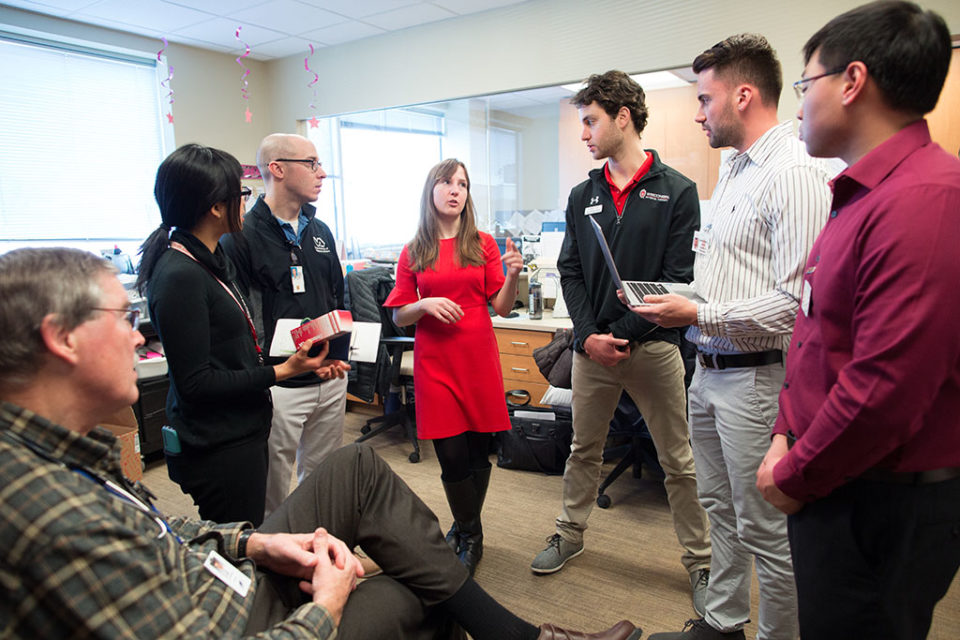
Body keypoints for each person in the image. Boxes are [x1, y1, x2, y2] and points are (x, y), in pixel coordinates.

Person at [0, 247, 644, 640]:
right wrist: (327, 608)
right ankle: (519, 636)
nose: (140, 337)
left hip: (216, 577)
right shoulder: (47, 511)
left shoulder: (66, 455)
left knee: (357, 467)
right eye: (122, 317)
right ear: (63, 338)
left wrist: (253, 540)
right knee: (411, 595)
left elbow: (161, 535)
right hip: (223, 618)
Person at [754, 3, 960, 639]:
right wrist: (788, 430)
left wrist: (794, 471)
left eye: (804, 86)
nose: (797, 109)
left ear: (852, 82)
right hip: (835, 477)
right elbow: (819, 334)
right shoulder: (862, 193)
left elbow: (886, 389)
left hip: (879, 497)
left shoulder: (925, 201)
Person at [638, 35, 832, 640]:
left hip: (758, 377)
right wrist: (680, 299)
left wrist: (696, 316)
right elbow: (725, 281)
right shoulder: (733, 169)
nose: (697, 113)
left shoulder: (792, 172)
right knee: (720, 511)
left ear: (743, 95)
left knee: (767, 530)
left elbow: (796, 306)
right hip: (710, 371)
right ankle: (722, 622)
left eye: (704, 98)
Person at [532, 69, 712, 615]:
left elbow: (677, 278)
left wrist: (623, 336)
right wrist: (588, 338)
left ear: (623, 117)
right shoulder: (583, 194)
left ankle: (701, 561)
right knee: (583, 449)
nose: (584, 134)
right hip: (593, 351)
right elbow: (571, 272)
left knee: (677, 460)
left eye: (590, 121)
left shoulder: (677, 192)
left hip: (653, 349)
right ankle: (570, 532)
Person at [137, 144, 336, 526]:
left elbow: (238, 344)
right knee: (245, 540)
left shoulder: (211, 259)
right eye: (240, 194)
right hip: (218, 443)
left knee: (258, 530)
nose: (246, 201)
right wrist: (282, 372)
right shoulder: (180, 274)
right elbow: (196, 383)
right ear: (215, 206)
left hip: (242, 427)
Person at [384, 158, 523, 576]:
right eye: (446, 182)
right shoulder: (415, 250)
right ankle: (470, 528)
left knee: (479, 452)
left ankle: (466, 532)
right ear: (431, 191)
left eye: (462, 183)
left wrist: (513, 276)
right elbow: (398, 316)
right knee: (451, 454)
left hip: (477, 357)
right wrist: (422, 305)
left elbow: (500, 307)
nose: (455, 190)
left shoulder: (482, 244)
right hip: (436, 363)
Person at [221, 133, 351, 519]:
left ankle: (320, 546)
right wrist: (266, 372)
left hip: (328, 376)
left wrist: (337, 357)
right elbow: (242, 317)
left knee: (324, 477)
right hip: (279, 381)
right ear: (276, 169)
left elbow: (335, 300)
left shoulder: (320, 231)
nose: (322, 173)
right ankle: (274, 560)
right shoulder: (241, 236)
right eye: (311, 163)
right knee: (272, 486)